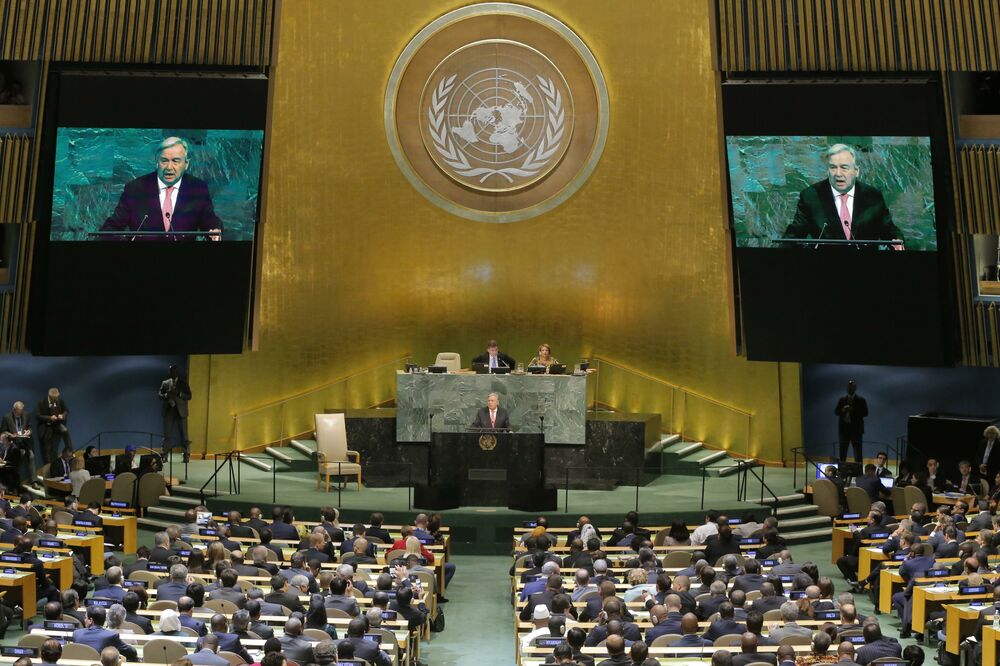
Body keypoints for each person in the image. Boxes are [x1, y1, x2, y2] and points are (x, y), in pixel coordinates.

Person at [101, 136, 223, 241]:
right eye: (164, 161)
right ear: (157, 162)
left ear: (186, 164)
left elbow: (209, 219)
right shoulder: (135, 188)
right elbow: (111, 227)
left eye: (175, 161)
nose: (169, 167)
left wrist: (214, 230)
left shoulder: (197, 188)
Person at [782, 143, 903, 248]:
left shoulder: (873, 196)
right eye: (833, 167)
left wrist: (896, 240)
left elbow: (889, 230)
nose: (838, 174)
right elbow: (793, 236)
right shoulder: (811, 196)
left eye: (844, 167)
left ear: (856, 171)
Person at [160, 364, 193, 462]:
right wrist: (167, 396)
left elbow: (189, 396)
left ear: (177, 372)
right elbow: (159, 395)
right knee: (166, 435)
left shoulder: (183, 384)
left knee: (184, 435)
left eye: (174, 371)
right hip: (168, 410)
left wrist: (179, 393)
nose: (172, 372)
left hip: (181, 411)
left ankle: (186, 455)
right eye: (170, 371)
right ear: (169, 372)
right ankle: (164, 455)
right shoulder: (165, 383)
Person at [2, 401, 35, 488]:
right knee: (16, 461)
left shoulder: (26, 415)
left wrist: (29, 431)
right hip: (14, 444)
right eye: (17, 411)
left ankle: (34, 481)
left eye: (21, 411)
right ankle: (17, 484)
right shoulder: (7, 417)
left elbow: (30, 427)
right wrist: (11, 435)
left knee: (31, 456)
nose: (19, 413)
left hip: (25, 443)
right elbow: (3, 430)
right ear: (14, 409)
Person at [834, 380, 867, 463]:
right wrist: (842, 410)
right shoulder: (842, 400)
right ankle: (841, 472)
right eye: (848, 387)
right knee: (842, 452)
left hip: (856, 431)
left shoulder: (861, 400)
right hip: (844, 431)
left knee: (858, 453)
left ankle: (859, 473)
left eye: (852, 387)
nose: (850, 388)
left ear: (855, 388)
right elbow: (836, 412)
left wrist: (853, 410)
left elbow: (865, 413)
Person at [36, 388, 71, 464]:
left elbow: (66, 411)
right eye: (54, 399)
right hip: (46, 426)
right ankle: (48, 467)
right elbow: (38, 415)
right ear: (50, 396)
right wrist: (49, 418)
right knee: (47, 449)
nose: (56, 400)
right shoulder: (42, 402)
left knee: (65, 430)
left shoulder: (60, 400)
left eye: (56, 398)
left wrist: (62, 415)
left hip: (57, 424)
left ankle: (70, 451)